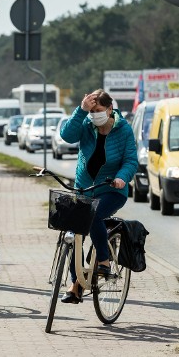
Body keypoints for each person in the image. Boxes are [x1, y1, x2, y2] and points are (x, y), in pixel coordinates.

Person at [59, 89, 137, 304]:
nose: (94, 114)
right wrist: (81, 111)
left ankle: (103, 259)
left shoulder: (124, 130)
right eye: (91, 110)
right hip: (84, 189)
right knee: (73, 234)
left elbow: (131, 160)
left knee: (93, 216)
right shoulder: (86, 124)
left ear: (110, 109)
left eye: (98, 110)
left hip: (111, 190)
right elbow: (66, 135)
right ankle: (76, 284)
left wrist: (122, 177)